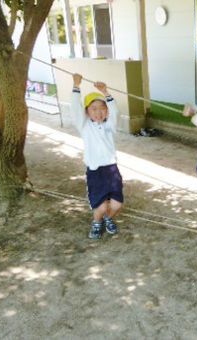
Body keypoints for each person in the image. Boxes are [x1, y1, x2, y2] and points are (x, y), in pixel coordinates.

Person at [71, 73, 123, 239]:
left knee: (117, 204)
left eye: (102, 108)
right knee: (100, 207)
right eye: (93, 109)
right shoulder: (85, 126)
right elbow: (74, 108)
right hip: (95, 171)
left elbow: (116, 111)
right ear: (86, 111)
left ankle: (108, 218)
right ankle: (97, 222)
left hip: (112, 170)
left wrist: (106, 93)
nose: (98, 112)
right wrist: (76, 86)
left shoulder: (110, 125)